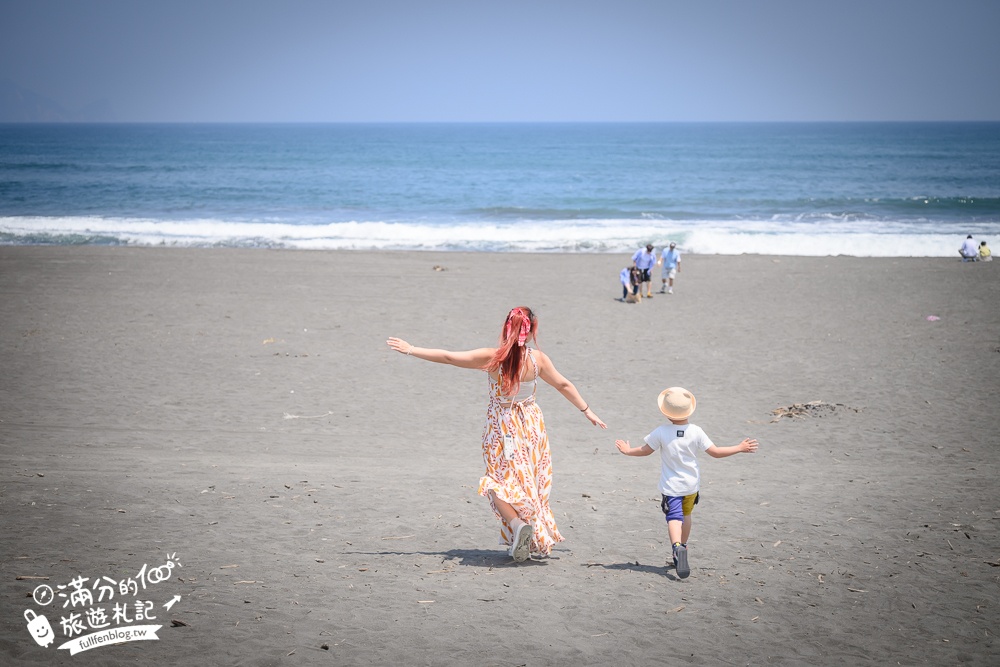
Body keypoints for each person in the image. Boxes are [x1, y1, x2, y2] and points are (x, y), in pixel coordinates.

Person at [386, 307, 607, 562]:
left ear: (506, 327)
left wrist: (412, 349)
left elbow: (448, 357)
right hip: (532, 425)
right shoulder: (538, 360)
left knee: (495, 482)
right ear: (532, 330)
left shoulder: (492, 358)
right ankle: (526, 533)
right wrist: (586, 410)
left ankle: (517, 525)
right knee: (527, 480)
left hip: (502, 426)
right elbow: (563, 384)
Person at [614, 387, 758, 579]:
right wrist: (739, 447)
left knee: (674, 517)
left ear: (666, 413)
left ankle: (676, 547)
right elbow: (715, 452)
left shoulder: (661, 432)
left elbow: (646, 450)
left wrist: (628, 450)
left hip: (671, 487)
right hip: (691, 485)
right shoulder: (696, 431)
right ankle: (684, 545)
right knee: (686, 515)